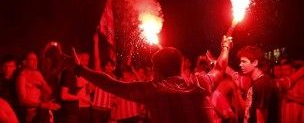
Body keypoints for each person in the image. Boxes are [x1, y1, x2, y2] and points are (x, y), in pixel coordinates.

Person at [67, 35, 232, 123]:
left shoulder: (153, 90)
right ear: (181, 67)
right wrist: (225, 46)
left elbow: (111, 84)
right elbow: (220, 67)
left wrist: (79, 69)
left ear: (157, 69)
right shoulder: (200, 83)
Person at [237, 46, 279, 123]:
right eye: (240, 61)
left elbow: (261, 117)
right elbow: (248, 108)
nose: (240, 64)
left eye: (244, 61)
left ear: (255, 63)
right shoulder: (255, 82)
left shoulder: (262, 84)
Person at [16, 51, 60, 123]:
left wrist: (42, 85)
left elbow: (49, 91)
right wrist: (41, 105)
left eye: (36, 59)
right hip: (30, 114)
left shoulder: (38, 74)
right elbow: (22, 101)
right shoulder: (22, 77)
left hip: (40, 112)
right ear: (24, 62)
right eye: (32, 59)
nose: (36, 61)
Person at [58, 52, 92, 123]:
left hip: (84, 107)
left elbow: (89, 90)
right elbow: (63, 95)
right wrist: (80, 98)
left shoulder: (87, 73)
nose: (85, 62)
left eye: (87, 60)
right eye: (82, 59)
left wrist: (90, 88)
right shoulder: (69, 72)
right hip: (73, 109)